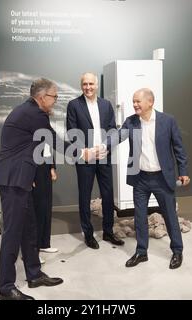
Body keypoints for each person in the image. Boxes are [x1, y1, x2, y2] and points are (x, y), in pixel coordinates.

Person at [0, 78, 102, 300]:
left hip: (20, 177)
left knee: (30, 227)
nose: (55, 101)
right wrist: (84, 154)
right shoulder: (34, 113)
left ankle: (33, 274)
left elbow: (23, 147)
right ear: (42, 97)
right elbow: (53, 140)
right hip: (13, 181)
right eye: (54, 97)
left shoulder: (30, 111)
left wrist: (28, 174)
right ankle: (6, 289)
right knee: (12, 235)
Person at [107, 88, 190, 269]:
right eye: (133, 101)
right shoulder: (131, 121)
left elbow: (179, 149)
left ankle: (177, 250)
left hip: (162, 178)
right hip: (141, 178)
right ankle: (141, 252)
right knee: (140, 216)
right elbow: (118, 137)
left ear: (150, 102)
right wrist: (102, 147)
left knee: (169, 216)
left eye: (138, 101)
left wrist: (183, 171)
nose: (135, 104)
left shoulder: (167, 121)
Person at [66, 72, 124, 249]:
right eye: (85, 84)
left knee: (108, 195)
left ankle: (108, 232)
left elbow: (113, 130)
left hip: (104, 155)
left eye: (91, 84)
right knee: (85, 195)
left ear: (96, 85)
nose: (88, 87)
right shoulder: (74, 105)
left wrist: (105, 147)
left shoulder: (106, 105)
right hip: (85, 158)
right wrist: (87, 151)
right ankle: (88, 234)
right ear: (81, 85)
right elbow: (71, 131)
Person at [32, 144, 59, 263]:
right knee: (38, 210)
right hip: (34, 169)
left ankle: (44, 243)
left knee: (46, 207)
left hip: (45, 168)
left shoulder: (44, 127)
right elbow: (26, 150)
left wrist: (52, 168)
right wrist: (29, 175)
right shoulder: (30, 127)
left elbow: (47, 148)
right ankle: (33, 252)